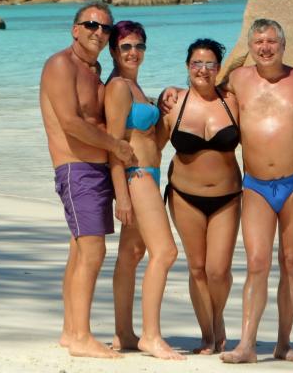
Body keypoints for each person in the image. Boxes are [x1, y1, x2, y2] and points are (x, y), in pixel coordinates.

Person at [220, 18, 293, 364]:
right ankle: (246, 344)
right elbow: (207, 97)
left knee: (291, 262)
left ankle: (283, 342)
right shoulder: (237, 80)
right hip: (256, 185)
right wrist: (172, 97)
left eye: (271, 41)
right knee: (257, 262)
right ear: (250, 47)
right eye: (259, 41)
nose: (265, 47)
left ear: (283, 45)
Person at [40, 1, 136, 360]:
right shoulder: (60, 65)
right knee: (93, 251)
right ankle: (82, 335)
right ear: (75, 29)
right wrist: (117, 147)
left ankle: (70, 331)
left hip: (94, 170)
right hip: (76, 168)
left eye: (105, 28)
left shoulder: (94, 72)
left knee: (79, 251)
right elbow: (70, 122)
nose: (99, 32)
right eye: (92, 25)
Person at [106, 21, 184, 360]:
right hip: (135, 177)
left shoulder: (136, 87)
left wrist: (165, 109)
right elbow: (114, 145)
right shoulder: (119, 88)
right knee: (165, 253)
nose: (133, 52)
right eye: (125, 47)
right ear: (113, 51)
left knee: (130, 256)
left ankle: (124, 332)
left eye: (138, 46)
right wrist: (121, 194)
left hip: (149, 174)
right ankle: (150, 335)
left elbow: (154, 142)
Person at [162, 39, 242, 355]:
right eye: (197, 63)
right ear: (187, 66)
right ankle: (208, 336)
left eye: (210, 64)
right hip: (184, 196)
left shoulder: (233, 102)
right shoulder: (172, 103)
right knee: (197, 268)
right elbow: (149, 145)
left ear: (219, 68)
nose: (203, 70)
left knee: (218, 270)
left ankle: (217, 321)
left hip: (228, 197)